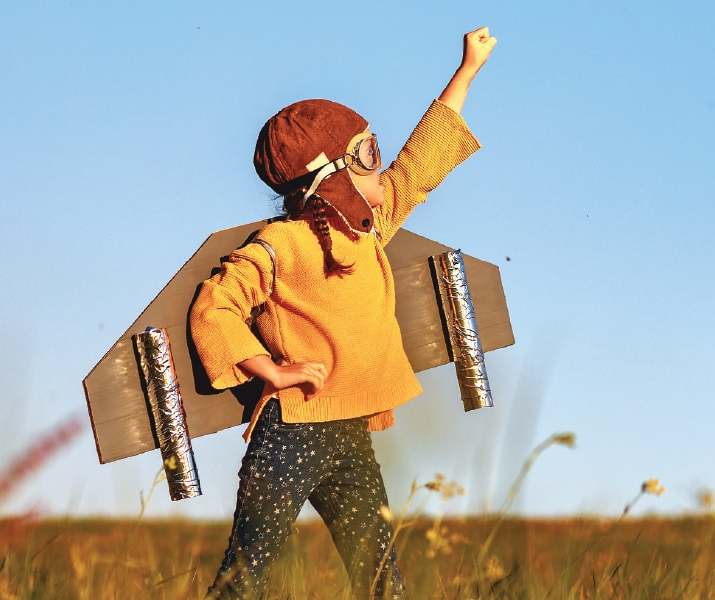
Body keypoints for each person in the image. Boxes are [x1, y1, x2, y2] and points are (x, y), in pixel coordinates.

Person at [189, 27, 497, 599]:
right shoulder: (285, 244)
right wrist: (273, 372)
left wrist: (468, 69)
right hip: (291, 434)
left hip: (351, 436)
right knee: (243, 581)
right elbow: (216, 306)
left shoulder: (368, 232)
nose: (382, 164)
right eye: (368, 153)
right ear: (330, 174)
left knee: (382, 583)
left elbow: (421, 166)